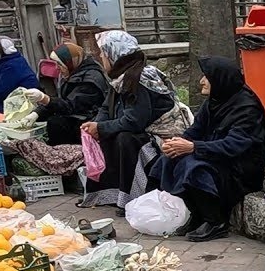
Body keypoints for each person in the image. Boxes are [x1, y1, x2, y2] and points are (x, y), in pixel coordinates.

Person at [152, 56, 265, 243]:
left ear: (220, 80)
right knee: (169, 158)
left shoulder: (247, 108)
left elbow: (233, 146)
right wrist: (178, 142)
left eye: (206, 77)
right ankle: (197, 214)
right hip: (214, 156)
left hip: (240, 169)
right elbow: (196, 130)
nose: (201, 81)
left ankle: (216, 221)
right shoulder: (215, 102)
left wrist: (193, 147)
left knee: (193, 167)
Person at [79, 30, 192, 211]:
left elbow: (134, 121)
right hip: (143, 130)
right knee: (107, 134)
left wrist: (101, 127)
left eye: (103, 53)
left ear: (114, 55)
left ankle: (134, 199)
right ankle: (109, 194)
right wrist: (96, 125)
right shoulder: (121, 78)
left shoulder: (139, 79)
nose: (100, 57)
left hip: (163, 136)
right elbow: (106, 108)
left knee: (125, 138)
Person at [24, 41, 108, 145]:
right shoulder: (73, 73)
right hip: (76, 118)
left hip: (87, 125)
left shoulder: (90, 80)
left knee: (56, 123)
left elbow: (70, 106)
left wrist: (45, 98)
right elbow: (60, 100)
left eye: (59, 64)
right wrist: (36, 113)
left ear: (69, 62)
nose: (57, 68)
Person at [0, 36, 38, 113]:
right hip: (29, 95)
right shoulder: (18, 59)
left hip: (25, 101)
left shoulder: (9, 66)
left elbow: (1, 91)